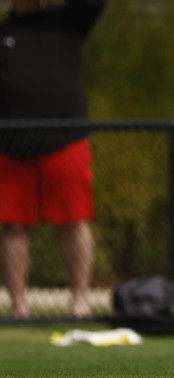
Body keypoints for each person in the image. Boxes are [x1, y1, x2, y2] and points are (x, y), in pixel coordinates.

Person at [0, 0, 106, 318]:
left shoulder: (69, 19)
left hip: (65, 139)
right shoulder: (4, 30)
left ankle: (80, 303)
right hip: (11, 144)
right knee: (13, 225)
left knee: (74, 221)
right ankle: (19, 307)